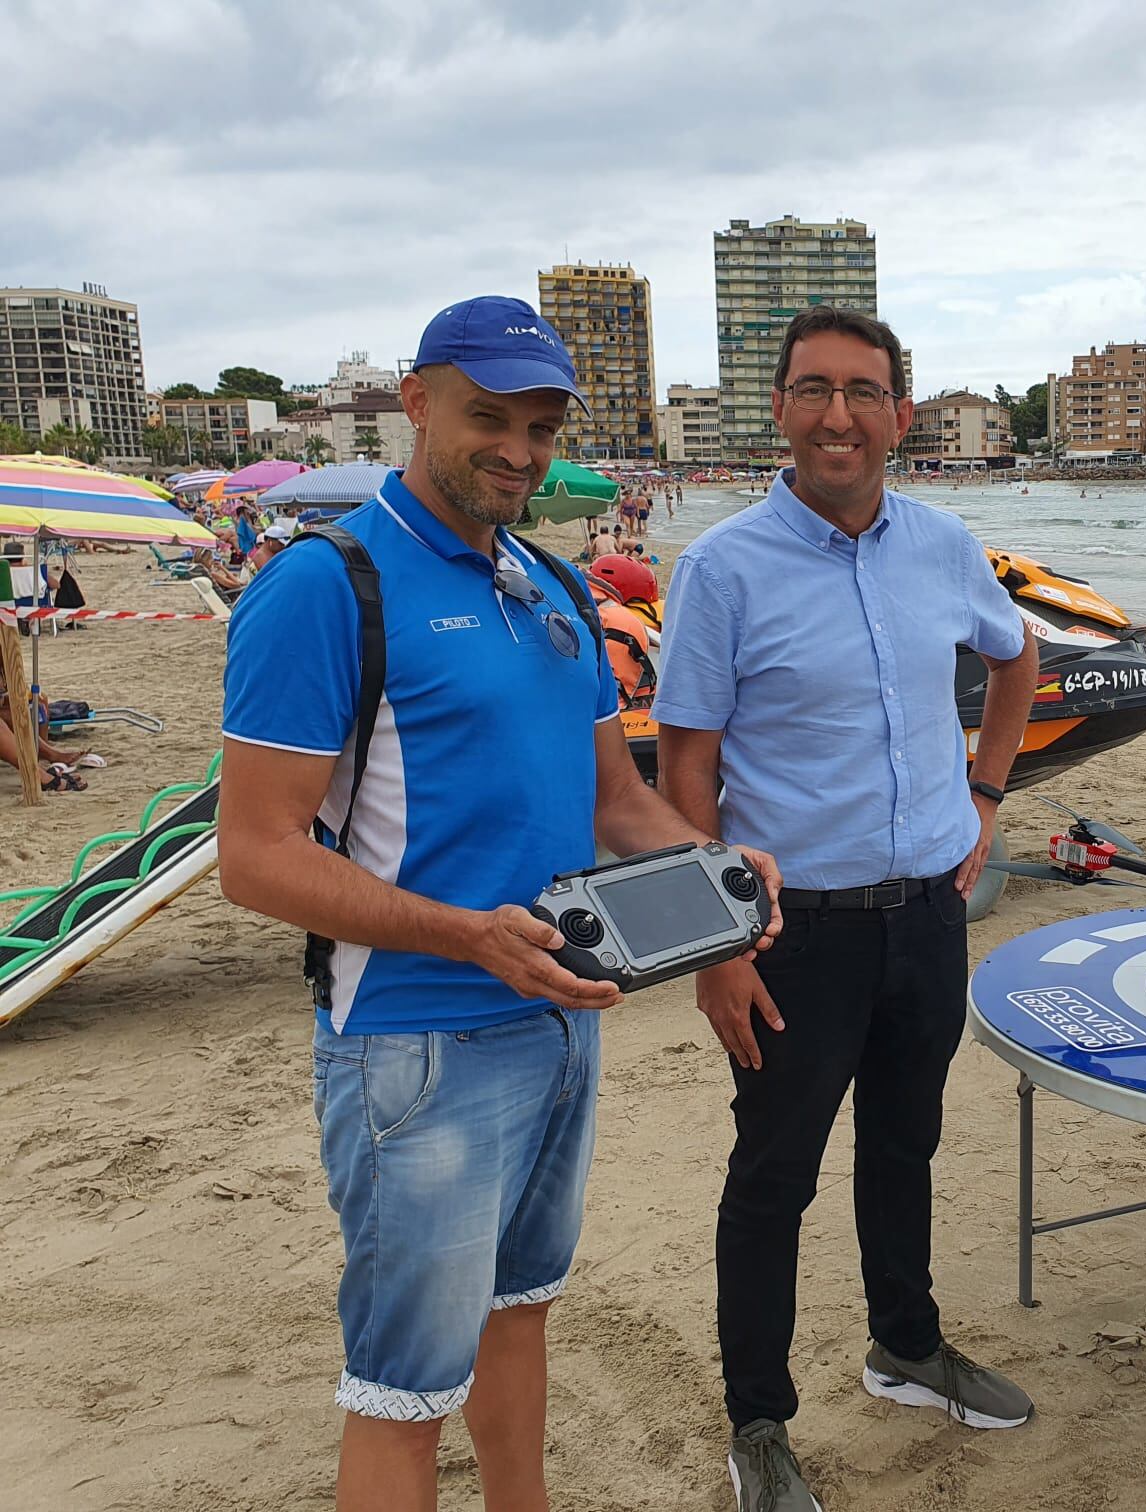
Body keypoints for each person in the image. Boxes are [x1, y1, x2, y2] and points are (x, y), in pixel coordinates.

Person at [215, 294, 781, 1512]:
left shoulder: (554, 588)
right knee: (403, 1389)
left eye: (539, 426)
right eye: (489, 417)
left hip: (562, 1017)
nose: (518, 451)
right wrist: (464, 933)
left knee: (521, 1314)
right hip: (415, 1041)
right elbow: (254, 855)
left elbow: (617, 807)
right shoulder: (329, 586)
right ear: (415, 402)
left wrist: (716, 868)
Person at [653, 306, 1040, 1512]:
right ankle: (759, 1422)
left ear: (899, 417)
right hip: (789, 931)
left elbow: (1016, 659)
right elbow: (685, 776)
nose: (839, 416)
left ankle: (905, 1344)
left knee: (905, 1144)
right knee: (773, 1176)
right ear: (778, 409)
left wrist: (985, 793)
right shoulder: (722, 568)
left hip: (928, 913)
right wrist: (715, 948)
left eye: (863, 392)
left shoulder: (942, 544)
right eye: (814, 390)